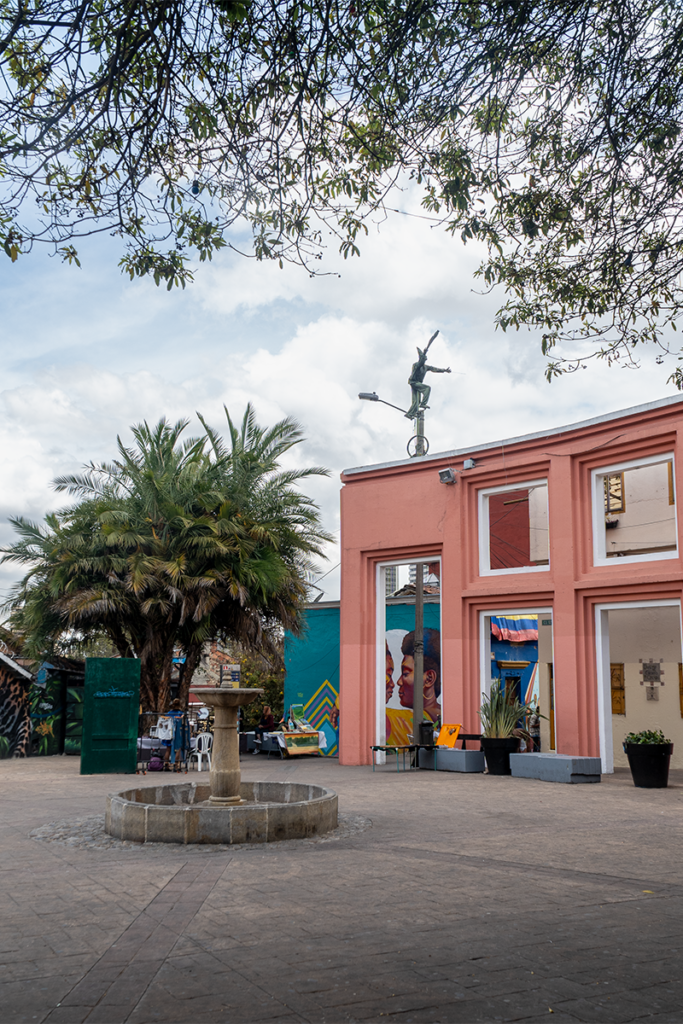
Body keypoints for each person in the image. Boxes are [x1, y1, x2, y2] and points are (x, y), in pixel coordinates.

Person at [398, 628, 441, 724]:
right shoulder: (444, 715)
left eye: (405, 673)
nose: (399, 682)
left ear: (429, 678)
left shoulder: (402, 721)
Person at [161, 698, 185, 771]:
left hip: (169, 733)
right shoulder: (181, 714)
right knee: (177, 749)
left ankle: (166, 765)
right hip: (178, 733)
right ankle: (176, 765)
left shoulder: (168, 714)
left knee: (168, 749)